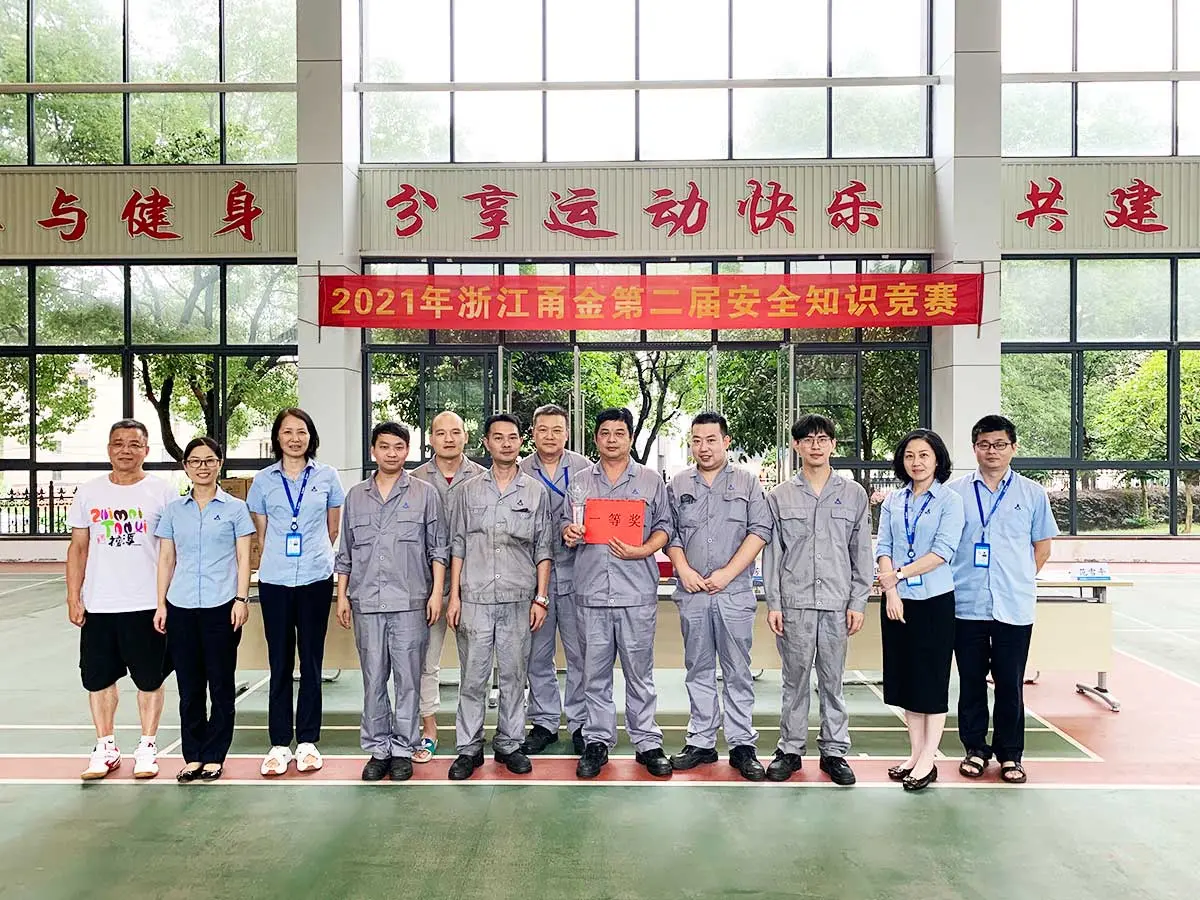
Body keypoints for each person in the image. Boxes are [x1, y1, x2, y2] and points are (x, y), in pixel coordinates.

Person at [563, 408, 674, 779]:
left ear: (630, 438)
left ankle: (647, 742)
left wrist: (643, 550)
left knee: (639, 674)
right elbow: (565, 525)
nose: (612, 439)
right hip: (591, 594)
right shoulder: (580, 482)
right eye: (605, 433)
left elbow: (664, 527)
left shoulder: (650, 481)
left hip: (635, 593)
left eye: (619, 433)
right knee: (593, 675)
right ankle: (597, 741)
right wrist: (569, 533)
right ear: (596, 438)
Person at [948, 414, 1058, 785]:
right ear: (974, 448)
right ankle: (975, 749)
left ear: (1013, 447)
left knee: (1010, 683)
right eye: (984, 445)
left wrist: (1019, 578)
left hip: (1013, 605)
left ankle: (1011, 754)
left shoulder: (1032, 493)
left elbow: (1042, 548)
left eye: (999, 445)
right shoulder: (956, 493)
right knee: (971, 682)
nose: (991, 451)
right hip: (967, 604)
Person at [66, 419, 179, 780]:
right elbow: (78, 548)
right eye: (118, 443)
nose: (125, 450)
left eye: (134, 444)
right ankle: (106, 746)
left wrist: (166, 601)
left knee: (150, 679)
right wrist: (73, 597)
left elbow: (172, 550)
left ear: (146, 450)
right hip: (100, 605)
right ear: (109, 449)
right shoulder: (89, 492)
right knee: (98, 679)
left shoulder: (163, 492)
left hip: (147, 604)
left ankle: (147, 746)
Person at [335, 422, 448, 783]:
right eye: (384, 446)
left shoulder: (425, 494)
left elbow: (438, 549)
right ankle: (378, 749)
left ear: (407, 451)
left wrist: (436, 594)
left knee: (409, 680)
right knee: (373, 679)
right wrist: (342, 596)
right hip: (367, 602)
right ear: (373, 451)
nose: (391, 453)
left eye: (399, 447)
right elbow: (346, 553)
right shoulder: (356, 496)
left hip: (411, 603)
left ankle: (402, 749)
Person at [762, 415, 871, 786]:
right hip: (795, 604)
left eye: (823, 439)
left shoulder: (853, 494)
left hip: (837, 603)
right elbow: (773, 555)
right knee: (793, 682)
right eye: (807, 439)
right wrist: (774, 603)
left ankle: (834, 751)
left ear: (833, 445)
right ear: (796, 446)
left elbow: (861, 552)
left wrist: (857, 601)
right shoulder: (779, 496)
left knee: (832, 681)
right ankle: (790, 750)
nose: (815, 445)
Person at [665, 412, 772, 781]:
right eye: (696, 440)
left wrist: (729, 573)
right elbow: (669, 532)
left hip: (734, 593)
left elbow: (760, 530)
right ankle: (701, 741)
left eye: (711, 440)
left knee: (737, 670)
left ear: (726, 442)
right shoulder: (678, 484)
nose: (703, 447)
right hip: (693, 593)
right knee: (698, 669)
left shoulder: (747, 482)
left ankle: (742, 745)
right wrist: (683, 569)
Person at [445, 414, 553, 780]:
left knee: (513, 677)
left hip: (518, 599)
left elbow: (543, 548)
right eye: (498, 437)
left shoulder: (535, 492)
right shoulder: (468, 491)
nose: (506, 443)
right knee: (473, 679)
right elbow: (458, 545)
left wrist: (541, 598)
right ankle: (469, 748)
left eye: (512, 437)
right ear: (487, 443)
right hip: (474, 598)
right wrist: (455, 597)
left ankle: (509, 744)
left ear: (521, 442)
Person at [247, 407, 345, 777]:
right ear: (277, 437)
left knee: (312, 661)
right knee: (280, 663)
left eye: (301, 431)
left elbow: (332, 529)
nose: (294, 438)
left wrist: (313, 554)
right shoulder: (263, 481)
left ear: (311, 437)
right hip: (274, 580)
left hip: (316, 579)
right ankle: (278, 743)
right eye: (287, 432)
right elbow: (262, 533)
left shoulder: (327, 476)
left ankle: (307, 741)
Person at [153, 437, 254, 782]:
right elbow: (167, 558)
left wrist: (241, 599)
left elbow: (243, 557)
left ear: (219, 464)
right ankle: (193, 755)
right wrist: (161, 603)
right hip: (181, 606)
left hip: (221, 606)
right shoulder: (174, 510)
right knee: (189, 686)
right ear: (186, 467)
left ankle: (214, 755)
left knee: (221, 684)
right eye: (195, 461)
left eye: (209, 460)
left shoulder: (235, 509)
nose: (202, 467)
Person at [875, 429, 966, 792]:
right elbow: (884, 546)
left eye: (924, 455)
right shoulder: (893, 501)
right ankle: (914, 754)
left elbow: (942, 551)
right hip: (897, 601)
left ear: (937, 459)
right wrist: (891, 591)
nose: (916, 462)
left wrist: (897, 575)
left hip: (934, 601)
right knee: (906, 680)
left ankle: (930, 758)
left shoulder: (950, 500)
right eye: (910, 455)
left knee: (931, 681)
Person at [517, 403, 592, 756]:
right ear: (533, 433)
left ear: (567, 433)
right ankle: (544, 721)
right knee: (537, 654)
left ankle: (580, 723)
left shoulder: (585, 470)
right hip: (534, 578)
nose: (550, 436)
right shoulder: (518, 471)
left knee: (580, 653)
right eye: (543, 429)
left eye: (557, 430)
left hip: (578, 573)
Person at [411, 410, 485, 764]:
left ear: (466, 437)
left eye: (456, 432)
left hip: (475, 586)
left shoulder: (484, 478)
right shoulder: (413, 480)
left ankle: (472, 735)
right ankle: (429, 729)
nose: (449, 439)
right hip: (426, 588)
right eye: (441, 433)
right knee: (426, 663)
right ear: (431, 439)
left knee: (476, 665)